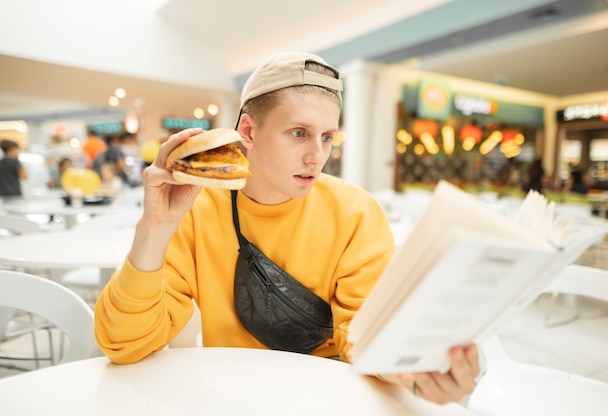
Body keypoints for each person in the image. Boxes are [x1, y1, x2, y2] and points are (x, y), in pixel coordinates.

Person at [94, 51, 480, 404]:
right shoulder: (194, 207)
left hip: (331, 397)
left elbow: (362, 334)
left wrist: (411, 365)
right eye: (298, 133)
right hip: (232, 398)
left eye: (327, 137)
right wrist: (155, 228)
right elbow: (123, 344)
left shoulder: (355, 212)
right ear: (247, 131)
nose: (317, 156)